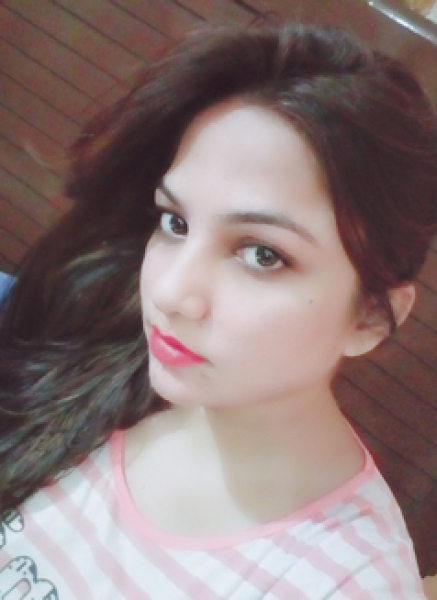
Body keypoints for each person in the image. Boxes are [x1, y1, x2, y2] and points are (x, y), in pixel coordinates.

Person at [0, 23, 436, 599]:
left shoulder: (344, 582)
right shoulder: (102, 347)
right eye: (175, 222)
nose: (171, 292)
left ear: (371, 318)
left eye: (263, 255)